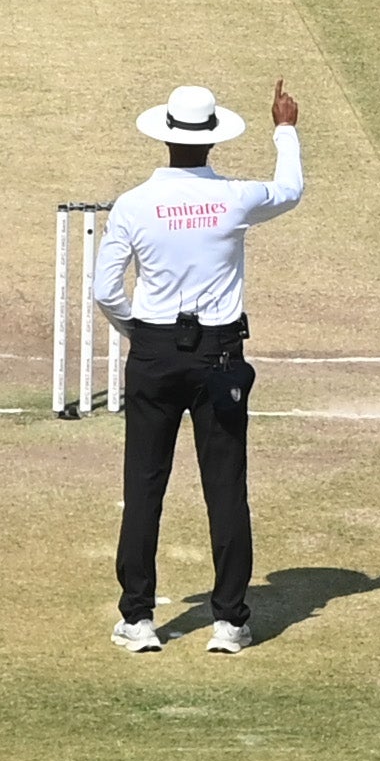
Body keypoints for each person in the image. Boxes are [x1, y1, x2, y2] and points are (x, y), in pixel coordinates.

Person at [90, 80, 304, 655]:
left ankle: (137, 619)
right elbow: (291, 189)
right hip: (220, 354)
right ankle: (230, 622)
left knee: (144, 487)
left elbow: (105, 289)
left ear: (165, 138)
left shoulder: (134, 203)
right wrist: (285, 127)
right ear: (212, 140)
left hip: (156, 352)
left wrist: (139, 332)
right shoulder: (234, 197)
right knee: (226, 488)